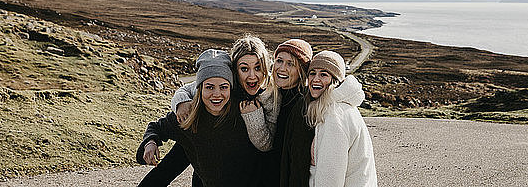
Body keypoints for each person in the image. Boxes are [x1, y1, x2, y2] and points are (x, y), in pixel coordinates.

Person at [138, 35, 270, 187]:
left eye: (258, 67)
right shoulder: (191, 114)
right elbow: (170, 161)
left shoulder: (256, 105)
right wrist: (151, 141)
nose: (217, 93)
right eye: (244, 68)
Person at [281, 50, 377, 187]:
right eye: (312, 73)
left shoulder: (334, 116)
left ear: (335, 80)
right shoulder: (340, 107)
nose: (316, 79)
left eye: (324, 74)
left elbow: (330, 177)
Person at [240, 38, 313, 186]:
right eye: (279, 61)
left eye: (290, 64)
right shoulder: (272, 94)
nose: (282, 68)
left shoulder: (302, 106)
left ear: (302, 71)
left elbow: (298, 163)